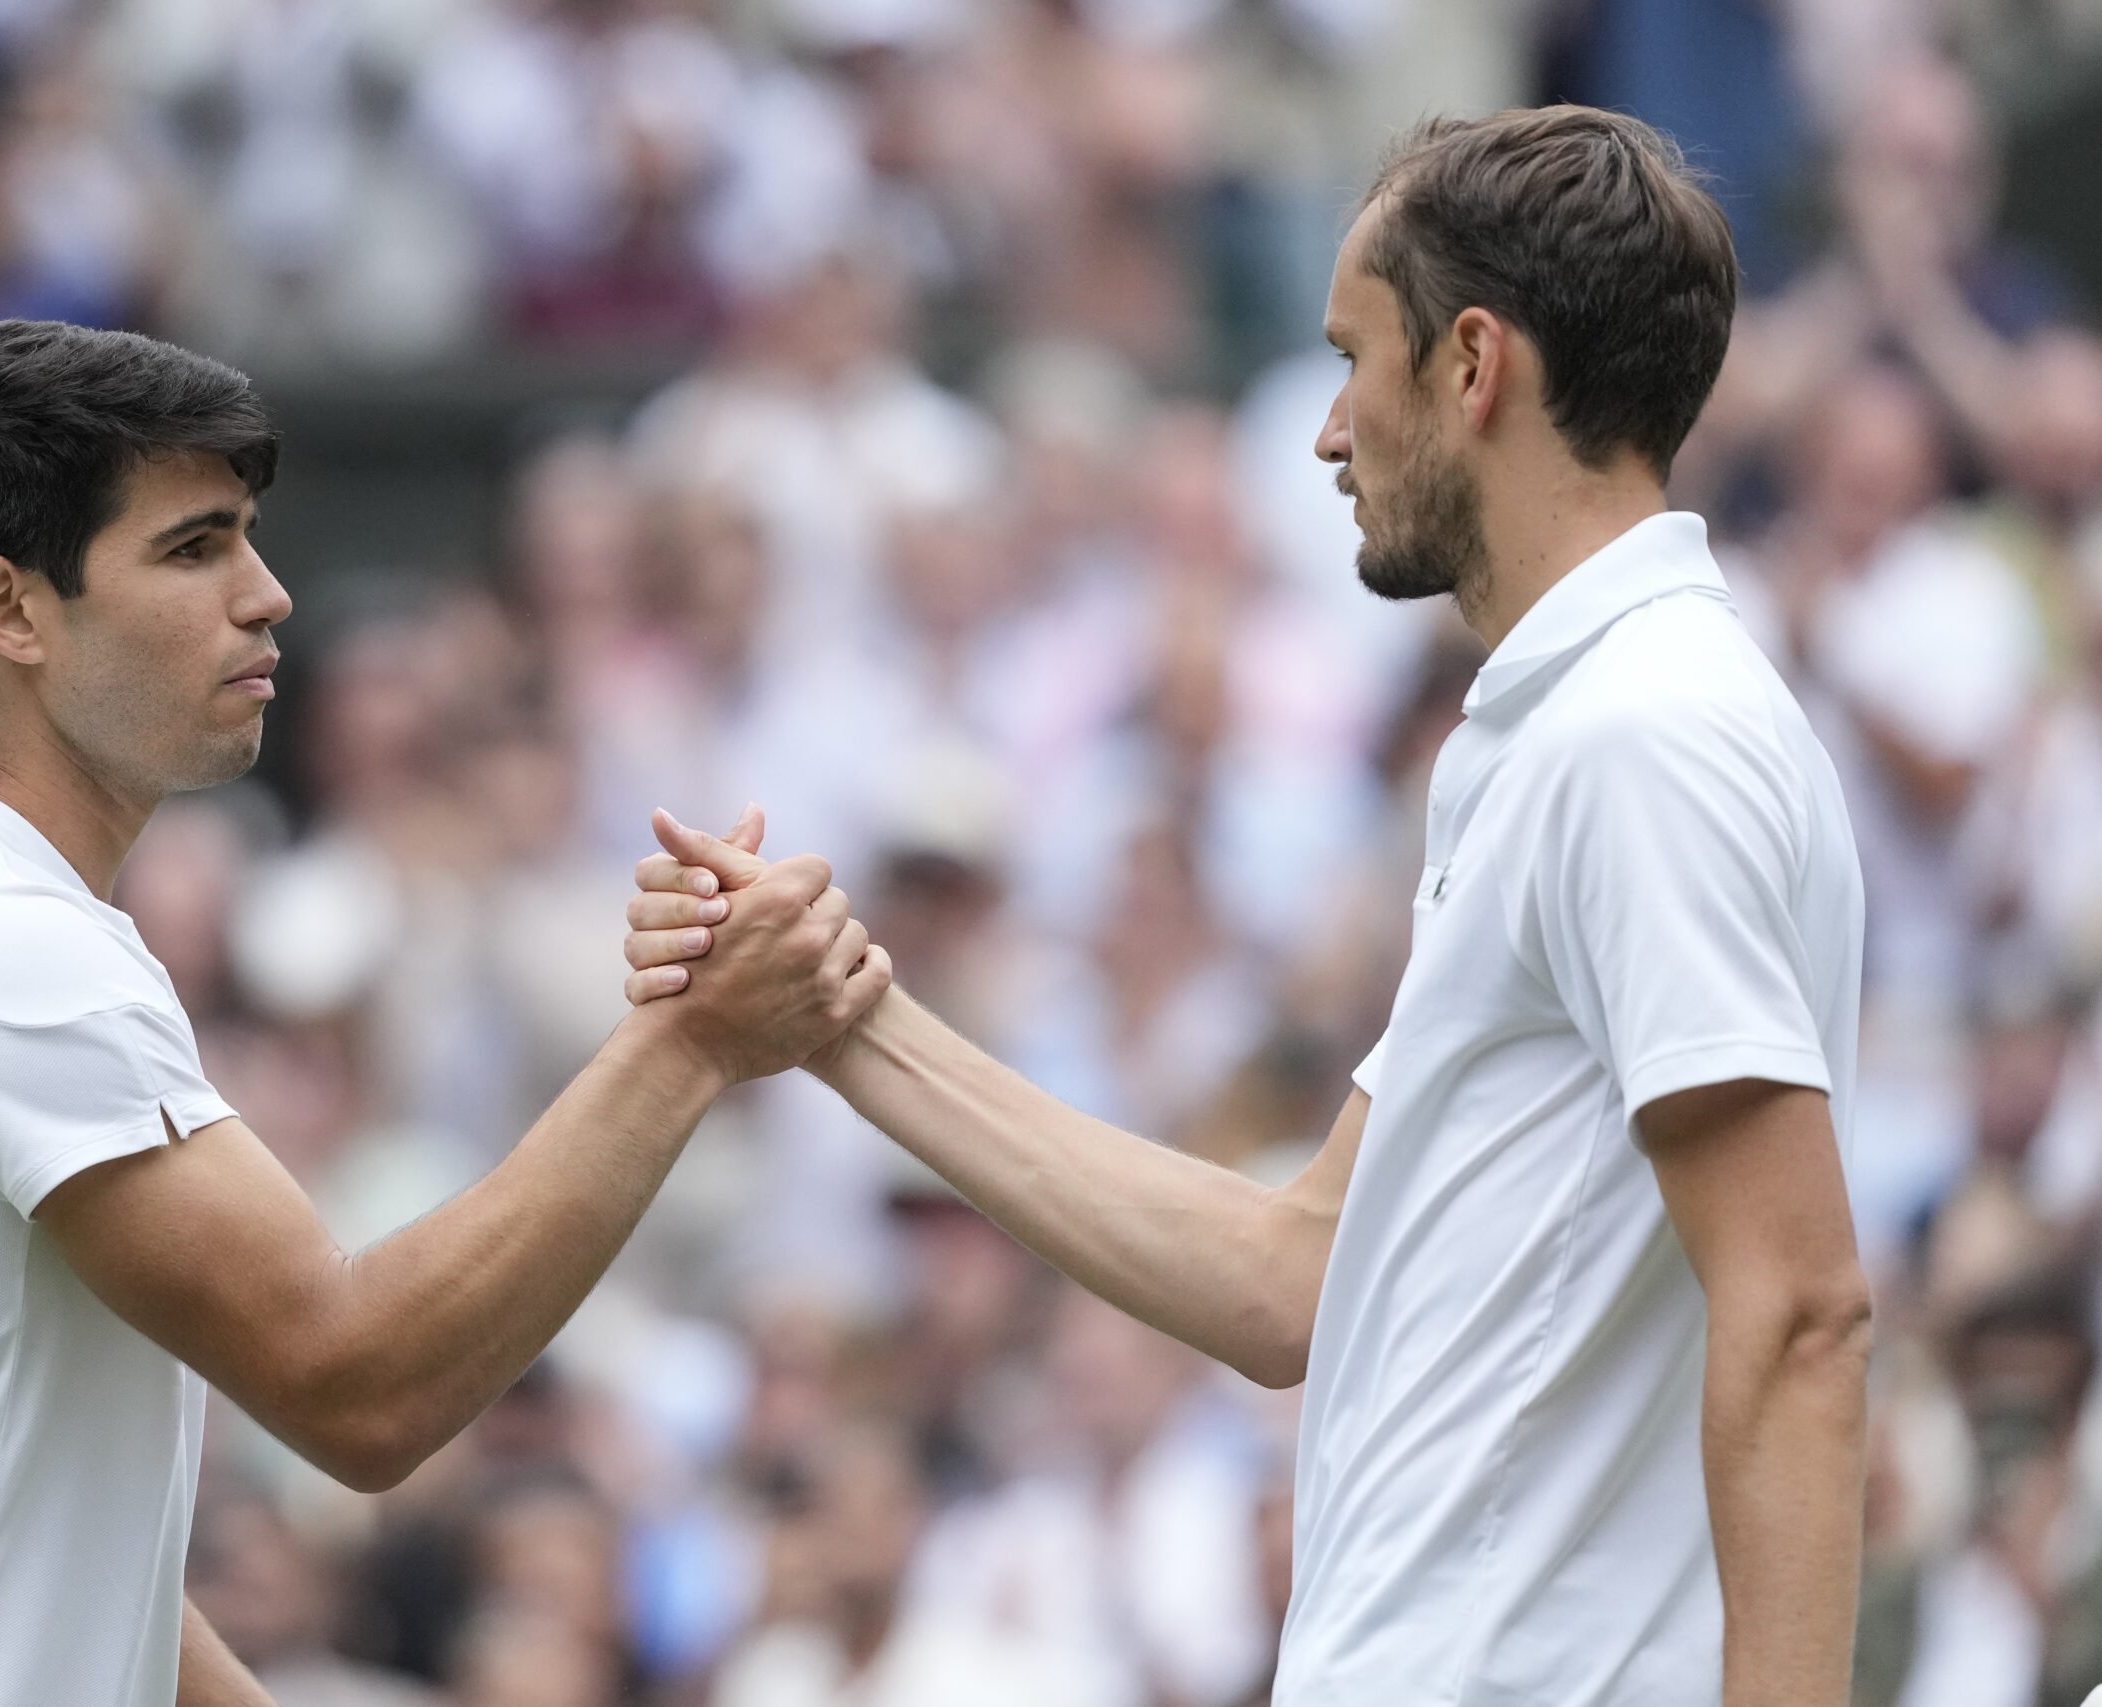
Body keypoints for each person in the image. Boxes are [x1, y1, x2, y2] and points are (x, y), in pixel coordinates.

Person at [625, 107, 1874, 1703]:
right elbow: (1293, 1273)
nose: (1328, 429)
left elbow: (1802, 1313)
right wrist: (845, 1017)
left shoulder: (1644, 739)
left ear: (1472, 365)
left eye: (1356, 356)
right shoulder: (1578, 731)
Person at [0, 318, 891, 1707]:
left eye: (247, 536)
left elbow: (59, 1550)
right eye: (193, 548)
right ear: (11, 609)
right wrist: (690, 1040)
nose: (268, 595)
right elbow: (358, 1383)